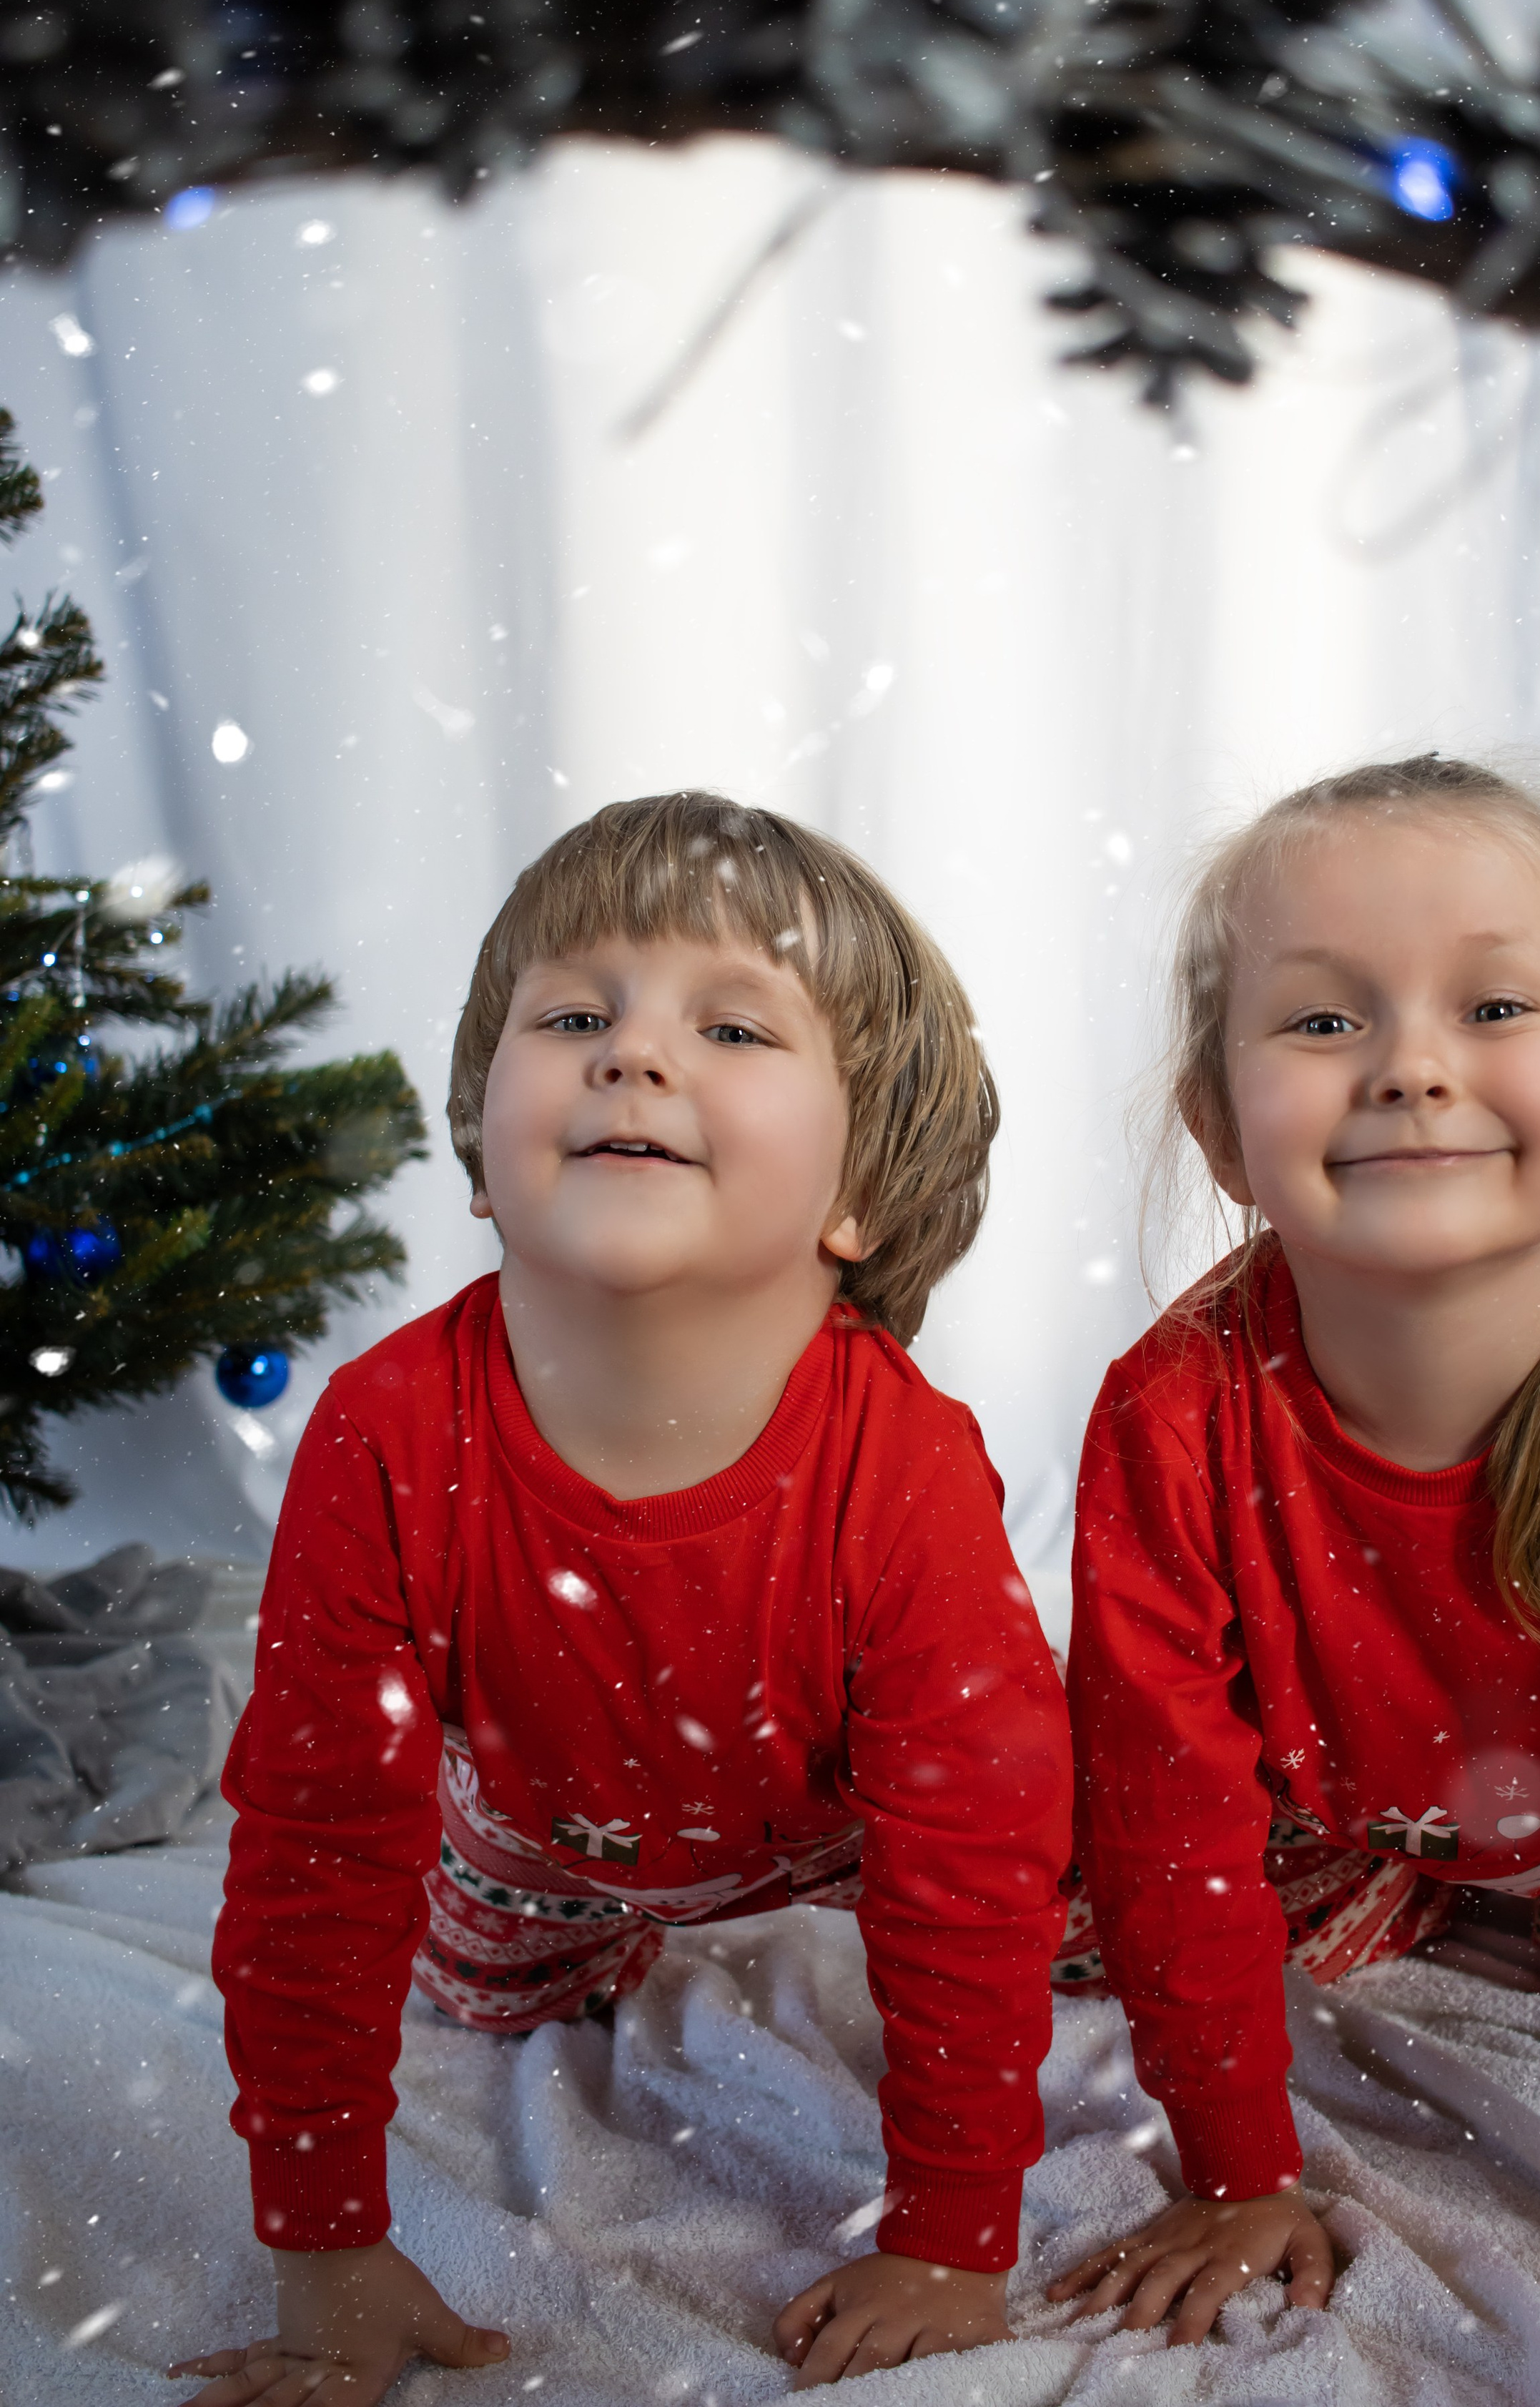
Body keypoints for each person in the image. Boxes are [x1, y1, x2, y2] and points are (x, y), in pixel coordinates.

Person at [171, 792, 1072, 2406]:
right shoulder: (383, 1436)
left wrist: (953, 2229)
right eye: (575, 1014)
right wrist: (324, 2244)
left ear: (859, 1186)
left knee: (1062, 1917)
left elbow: (970, 1857)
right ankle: (556, 1936)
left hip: (836, 1823)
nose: (632, 1055)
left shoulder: (906, 1469)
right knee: (470, 1999)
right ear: (476, 1138)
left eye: (729, 1025)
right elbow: (316, 1851)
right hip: (535, 1837)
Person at [1050, 756, 1540, 2407]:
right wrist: (1233, 2163)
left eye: (1488, 1006)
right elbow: (1166, 1805)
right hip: (1331, 1811)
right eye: (1325, 1023)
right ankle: (1431, 1896)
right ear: (1218, 1125)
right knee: (1088, 1916)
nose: (1409, 1066)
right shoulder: (1169, 1409)